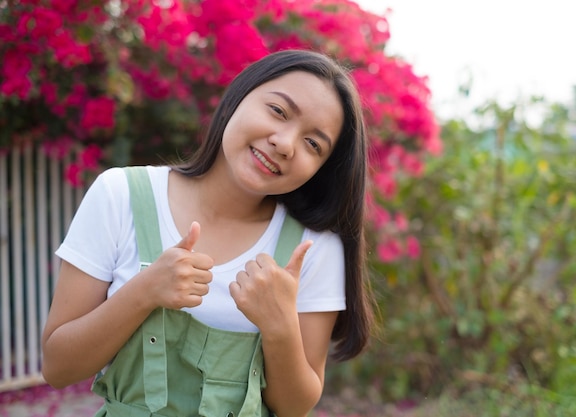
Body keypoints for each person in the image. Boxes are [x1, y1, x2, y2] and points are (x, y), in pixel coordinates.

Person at [41, 49, 374, 417]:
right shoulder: (120, 195)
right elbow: (59, 367)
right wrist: (144, 291)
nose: (285, 143)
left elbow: (293, 408)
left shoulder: (312, 249)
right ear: (239, 97)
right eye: (278, 111)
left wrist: (280, 327)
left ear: (321, 168)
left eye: (314, 144)